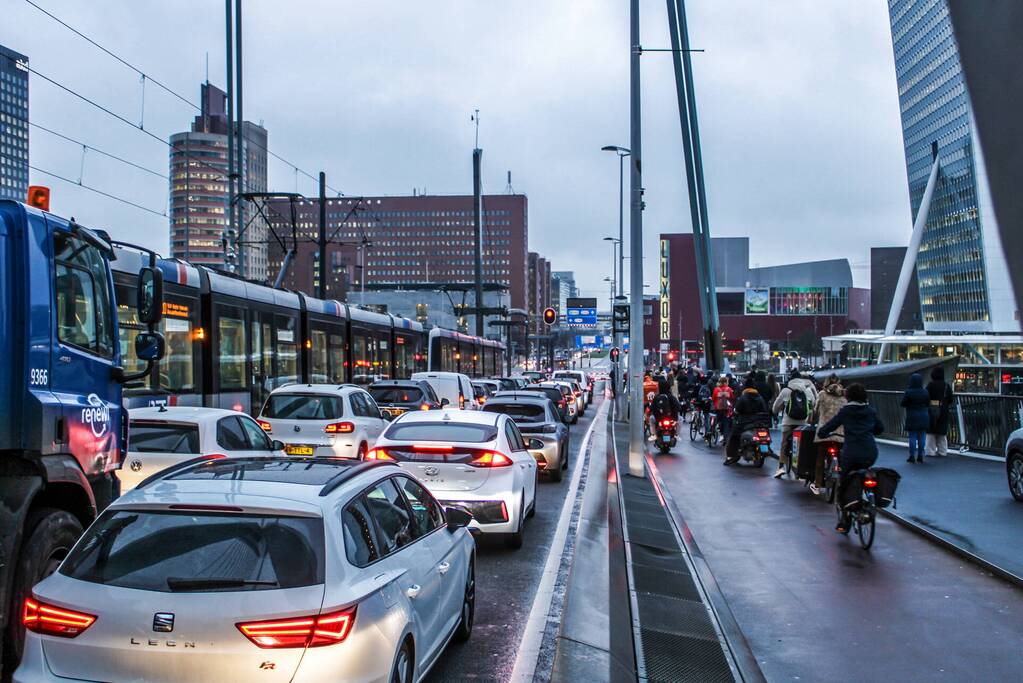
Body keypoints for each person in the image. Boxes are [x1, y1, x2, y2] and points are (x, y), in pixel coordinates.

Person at [817, 383, 885, 533]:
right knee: (865, 472)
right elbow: (880, 429)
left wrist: (822, 432)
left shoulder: (846, 411)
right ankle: (869, 499)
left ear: (848, 397)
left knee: (844, 482)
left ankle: (845, 519)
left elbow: (831, 425)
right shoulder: (870, 411)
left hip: (851, 453)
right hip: (870, 452)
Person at [772, 370, 816, 479]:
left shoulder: (786, 390)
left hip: (788, 423)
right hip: (802, 425)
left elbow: (775, 408)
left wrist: (780, 409)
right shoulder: (807, 390)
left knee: (784, 444)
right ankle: (801, 468)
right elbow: (813, 404)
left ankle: (781, 466)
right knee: (801, 447)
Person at [811, 375, 846, 495]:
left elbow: (815, 410)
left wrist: (812, 419)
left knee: (820, 457)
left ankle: (817, 485)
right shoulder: (844, 395)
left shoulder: (821, 394)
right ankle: (842, 484)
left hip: (824, 432)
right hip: (840, 432)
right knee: (841, 458)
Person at [724, 376, 771, 465]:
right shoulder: (760, 398)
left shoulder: (743, 398)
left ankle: (732, 456)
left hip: (745, 423)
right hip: (760, 423)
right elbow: (765, 410)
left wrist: (735, 413)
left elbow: (737, 410)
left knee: (734, 436)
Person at [901, 373, 930, 464]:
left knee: (912, 436)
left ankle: (912, 456)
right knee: (922, 436)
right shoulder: (925, 392)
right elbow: (928, 403)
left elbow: (903, 403)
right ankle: (920, 455)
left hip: (912, 416)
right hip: (924, 415)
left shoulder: (909, 392)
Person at [926, 366, 954, 457]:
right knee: (942, 432)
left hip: (932, 410)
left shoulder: (930, 385)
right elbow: (950, 399)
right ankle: (942, 451)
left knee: (931, 432)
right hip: (943, 410)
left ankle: (930, 451)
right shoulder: (946, 385)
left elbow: (926, 397)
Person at [711, 376, 735, 443]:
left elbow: (713, 399)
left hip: (718, 408)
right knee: (726, 423)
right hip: (726, 409)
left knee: (717, 421)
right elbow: (732, 398)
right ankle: (725, 437)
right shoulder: (729, 389)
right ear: (726, 382)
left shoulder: (716, 389)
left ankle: (714, 431)